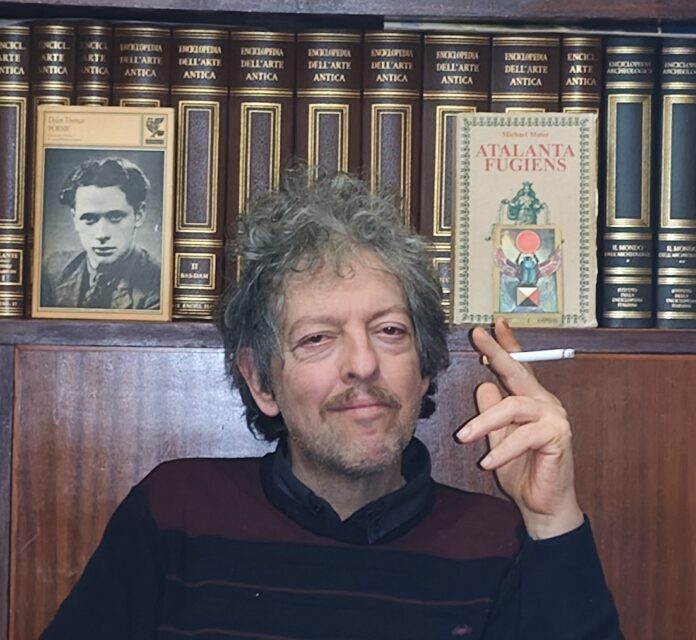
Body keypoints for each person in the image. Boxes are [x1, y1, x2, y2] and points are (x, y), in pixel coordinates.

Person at [41, 168, 622, 639]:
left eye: (390, 331)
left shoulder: (499, 542)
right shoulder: (174, 513)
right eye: (317, 338)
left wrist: (554, 520)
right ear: (261, 382)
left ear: (425, 367)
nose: (363, 364)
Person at [40, 156, 161, 310]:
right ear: (75, 219)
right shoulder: (52, 271)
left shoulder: (160, 283)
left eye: (115, 217)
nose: (101, 234)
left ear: (139, 215)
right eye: (89, 219)